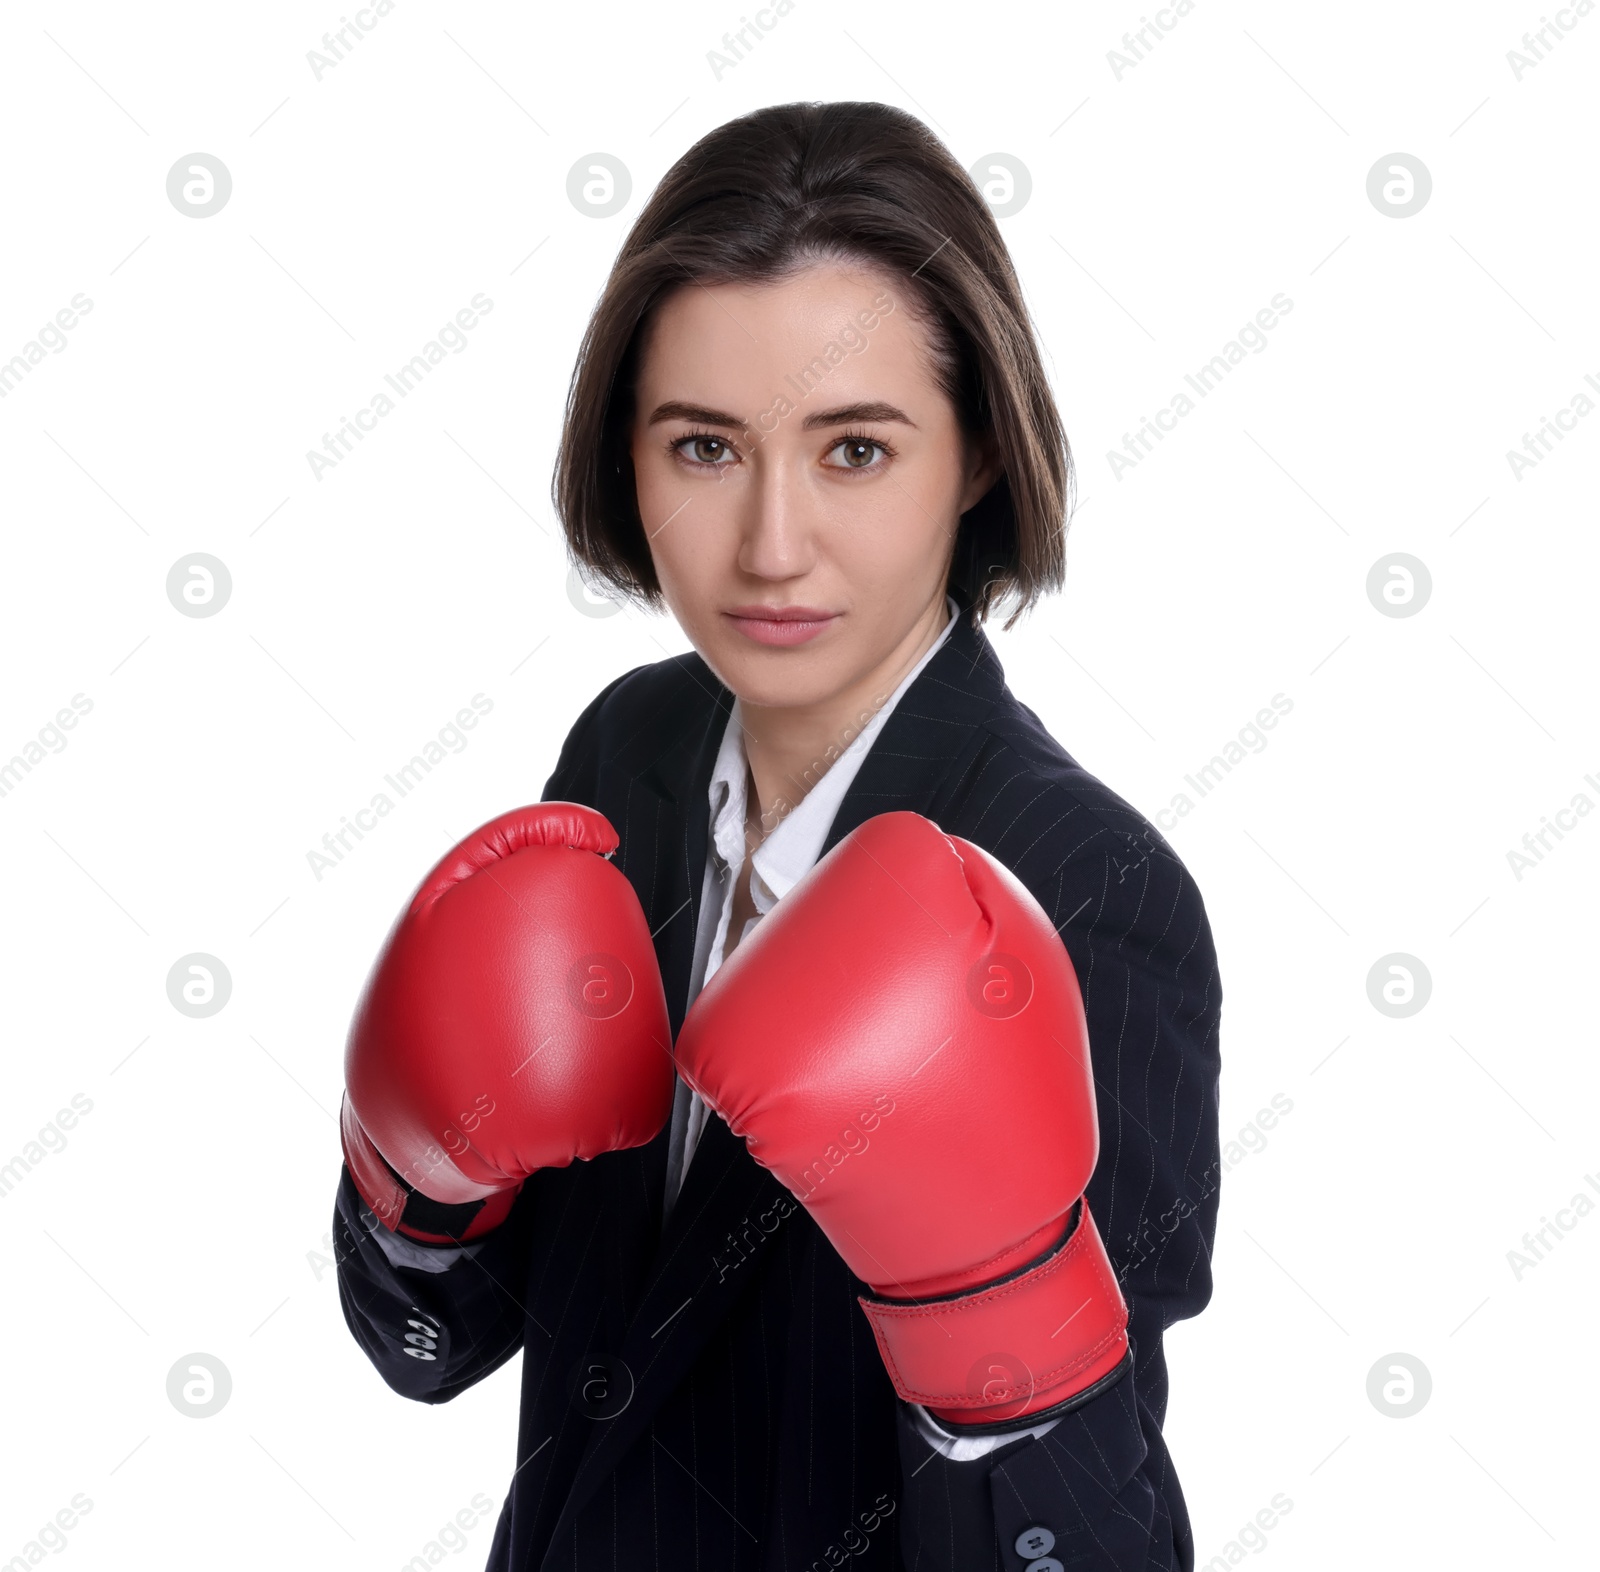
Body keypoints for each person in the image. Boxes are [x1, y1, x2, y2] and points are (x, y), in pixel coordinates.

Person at [332, 99, 1222, 1571]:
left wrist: (995, 1323)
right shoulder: (630, 752)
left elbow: (1097, 1546)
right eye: (705, 448)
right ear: (627, 454)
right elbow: (434, 1351)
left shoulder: (1090, 891)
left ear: (980, 455)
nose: (769, 545)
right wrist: (415, 1178)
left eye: (856, 451)